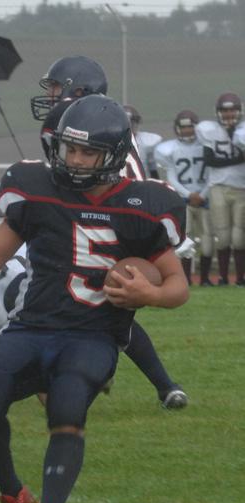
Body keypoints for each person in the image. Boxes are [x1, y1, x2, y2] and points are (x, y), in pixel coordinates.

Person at [0, 95, 188, 503]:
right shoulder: (36, 188)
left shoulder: (142, 204)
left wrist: (149, 295)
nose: (75, 159)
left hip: (92, 334)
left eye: (88, 152)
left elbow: (177, 286)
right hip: (31, 326)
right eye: (70, 148)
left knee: (67, 405)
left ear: (112, 156)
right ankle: (13, 494)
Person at [32, 56, 189, 410]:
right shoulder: (93, 123)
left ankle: (72, 377)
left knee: (92, 306)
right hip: (106, 223)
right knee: (107, 314)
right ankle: (162, 385)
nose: (51, 95)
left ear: (80, 91)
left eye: (57, 87)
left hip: (116, 226)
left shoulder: (86, 127)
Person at [155, 111, 212, 285]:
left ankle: (205, 279)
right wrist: (189, 195)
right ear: (177, 129)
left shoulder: (207, 146)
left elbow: (213, 173)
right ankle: (186, 278)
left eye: (190, 127)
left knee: (208, 239)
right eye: (184, 127)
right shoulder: (170, 149)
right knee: (185, 240)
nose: (187, 130)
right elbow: (171, 176)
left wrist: (201, 195)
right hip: (184, 201)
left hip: (204, 200)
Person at [196, 92, 245, 286]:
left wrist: (234, 134)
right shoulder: (209, 130)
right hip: (218, 187)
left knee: (240, 236)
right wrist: (238, 159)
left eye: (232, 109)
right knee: (223, 235)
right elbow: (210, 160)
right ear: (218, 112)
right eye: (224, 110)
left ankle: (241, 277)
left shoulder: (242, 131)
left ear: (239, 111)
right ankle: (224, 277)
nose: (228, 114)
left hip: (241, 187)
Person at [124, 105, 162, 179]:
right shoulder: (113, 141)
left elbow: (153, 169)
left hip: (142, 183)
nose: (129, 126)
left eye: (132, 123)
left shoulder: (147, 141)